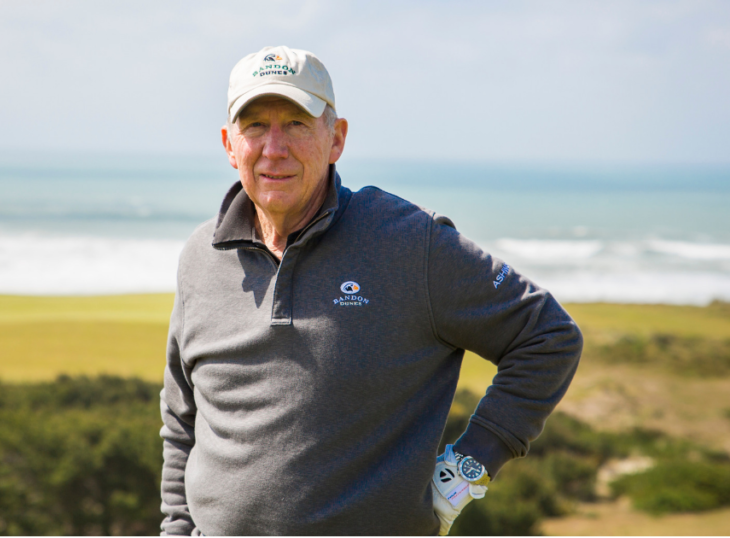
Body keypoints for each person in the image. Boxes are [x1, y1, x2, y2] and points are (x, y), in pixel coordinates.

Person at [159, 46, 583, 536]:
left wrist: (464, 473)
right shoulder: (199, 256)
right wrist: (176, 529)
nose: (274, 147)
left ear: (336, 138)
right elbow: (181, 420)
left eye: (296, 123)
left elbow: (547, 336)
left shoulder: (407, 243)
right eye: (255, 126)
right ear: (230, 145)